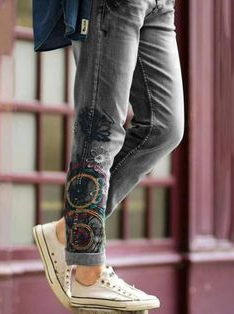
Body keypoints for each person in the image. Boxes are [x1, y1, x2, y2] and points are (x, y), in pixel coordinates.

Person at [32, 0, 184, 311]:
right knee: (101, 129)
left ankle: (67, 231)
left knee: (165, 128)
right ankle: (89, 272)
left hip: (161, 5)